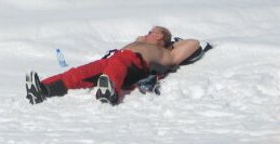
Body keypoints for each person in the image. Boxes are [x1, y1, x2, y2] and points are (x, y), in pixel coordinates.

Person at [25, 26, 201, 105]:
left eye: (150, 32)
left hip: (135, 67)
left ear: (159, 36)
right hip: (115, 62)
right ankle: (44, 89)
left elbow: (194, 42)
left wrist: (171, 42)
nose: (145, 34)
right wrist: (138, 40)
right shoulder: (141, 43)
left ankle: (110, 91)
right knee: (80, 73)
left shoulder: (166, 53)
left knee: (118, 63)